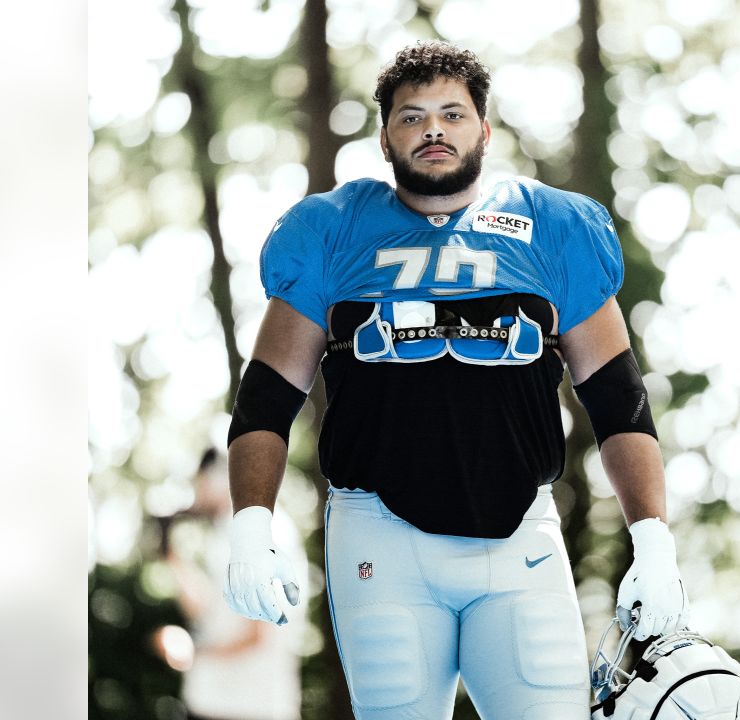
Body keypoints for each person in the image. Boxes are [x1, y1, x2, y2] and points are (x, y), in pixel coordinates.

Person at [222, 41, 688, 719]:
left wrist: (653, 539)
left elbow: (619, 401)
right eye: (411, 117)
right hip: (379, 536)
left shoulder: (553, 229)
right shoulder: (333, 230)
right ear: (384, 139)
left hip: (521, 534)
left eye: (451, 113)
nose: (433, 129)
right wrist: (249, 524)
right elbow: (265, 399)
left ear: (484, 131)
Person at [162, 449, 305, 720]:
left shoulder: (262, 534)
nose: (198, 488)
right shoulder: (231, 531)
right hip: (220, 702)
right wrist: (172, 558)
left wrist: (195, 654)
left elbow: (259, 632)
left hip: (247, 706)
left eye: (202, 478)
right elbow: (211, 611)